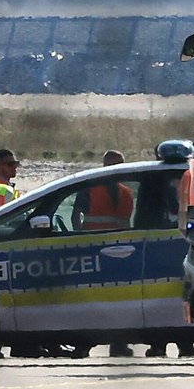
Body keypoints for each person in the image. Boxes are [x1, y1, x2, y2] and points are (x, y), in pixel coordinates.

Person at [74, 150, 135, 357]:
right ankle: (84, 344)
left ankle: (116, 344)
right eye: (114, 165)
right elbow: (76, 216)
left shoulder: (125, 192)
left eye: (120, 165)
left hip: (117, 252)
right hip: (95, 250)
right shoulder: (90, 188)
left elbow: (126, 223)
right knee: (93, 300)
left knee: (118, 302)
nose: (117, 169)